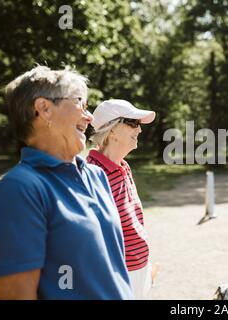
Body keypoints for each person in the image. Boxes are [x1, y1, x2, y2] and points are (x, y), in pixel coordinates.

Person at [0, 66, 133, 300]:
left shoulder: (96, 177)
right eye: (79, 103)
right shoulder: (19, 190)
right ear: (44, 109)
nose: (89, 118)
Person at [87, 99, 155, 299]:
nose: (140, 130)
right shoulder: (93, 172)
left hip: (138, 267)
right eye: (133, 123)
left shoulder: (123, 166)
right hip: (117, 273)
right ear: (112, 130)